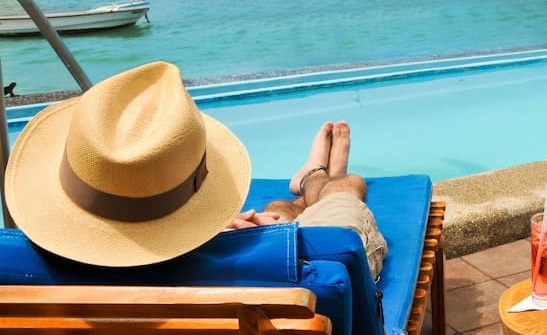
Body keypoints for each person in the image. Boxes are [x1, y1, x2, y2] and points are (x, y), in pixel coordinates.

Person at [4, 61, 386, 278]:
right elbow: (335, 267)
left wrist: (211, 234)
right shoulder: (268, 269)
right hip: (301, 270)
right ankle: (320, 178)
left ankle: (308, 186)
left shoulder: (20, 272)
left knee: (278, 212)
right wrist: (248, 243)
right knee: (344, 193)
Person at [227, 119, 387, 278]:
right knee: (348, 184)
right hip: (322, 261)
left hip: (268, 252)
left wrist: (227, 231)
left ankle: (321, 179)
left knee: (280, 207)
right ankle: (318, 176)